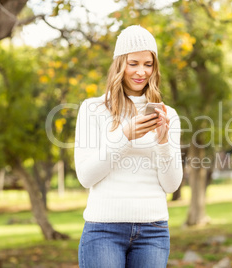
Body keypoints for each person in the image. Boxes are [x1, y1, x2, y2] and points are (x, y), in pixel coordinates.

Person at [74, 25, 183, 268]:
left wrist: (163, 141)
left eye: (148, 64)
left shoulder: (168, 115)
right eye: (133, 63)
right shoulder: (93, 109)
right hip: (103, 230)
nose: (141, 72)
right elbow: (86, 176)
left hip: (153, 232)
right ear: (119, 64)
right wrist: (124, 135)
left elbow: (172, 184)